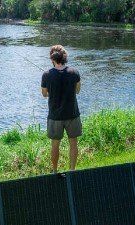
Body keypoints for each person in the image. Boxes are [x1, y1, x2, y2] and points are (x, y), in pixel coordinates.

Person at [41, 45, 82, 173]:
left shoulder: (46, 75)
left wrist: (52, 92)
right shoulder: (74, 72)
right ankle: (72, 170)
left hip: (55, 117)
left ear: (52, 59)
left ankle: (54, 171)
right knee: (73, 143)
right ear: (65, 57)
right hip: (72, 114)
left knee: (55, 145)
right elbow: (78, 91)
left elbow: (44, 94)